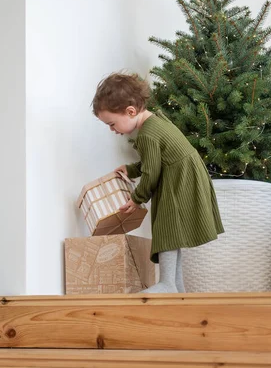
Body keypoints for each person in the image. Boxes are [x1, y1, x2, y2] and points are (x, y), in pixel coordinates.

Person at [92, 71, 224, 293]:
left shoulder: (147, 136)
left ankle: (166, 284)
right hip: (183, 176)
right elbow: (157, 161)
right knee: (172, 233)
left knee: (167, 228)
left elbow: (152, 172)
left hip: (178, 183)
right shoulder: (156, 121)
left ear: (130, 111)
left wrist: (136, 198)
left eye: (112, 124)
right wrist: (132, 169)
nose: (112, 130)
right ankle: (175, 287)